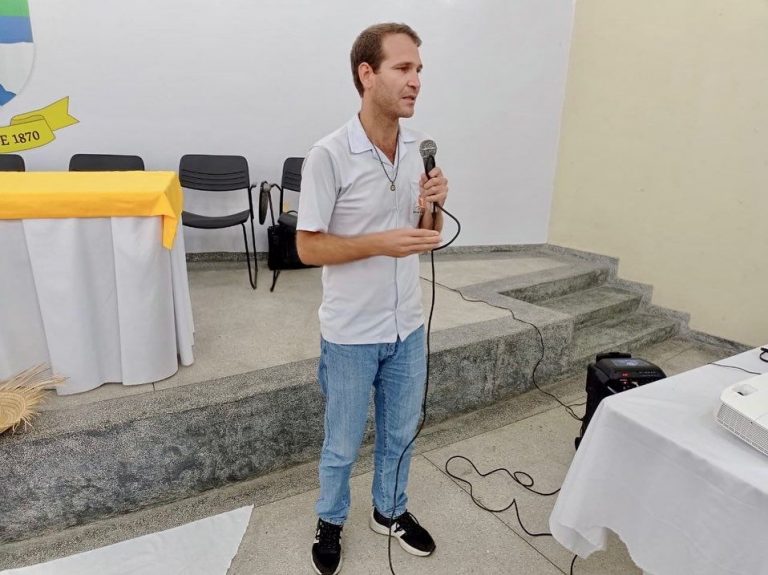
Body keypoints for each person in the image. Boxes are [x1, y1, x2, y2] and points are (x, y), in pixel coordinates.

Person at [296, 22, 449, 575]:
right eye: (403, 68)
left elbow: (426, 236)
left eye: (419, 70)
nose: (416, 81)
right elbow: (307, 247)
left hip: (407, 324)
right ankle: (330, 518)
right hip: (351, 333)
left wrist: (433, 205)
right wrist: (378, 243)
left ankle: (390, 510)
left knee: (400, 434)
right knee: (342, 443)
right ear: (367, 74)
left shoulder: (417, 148)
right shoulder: (329, 155)